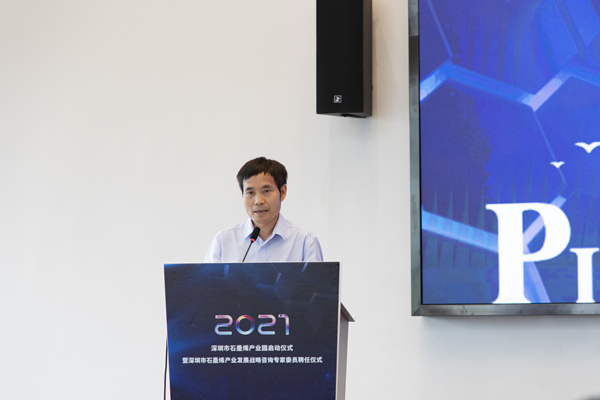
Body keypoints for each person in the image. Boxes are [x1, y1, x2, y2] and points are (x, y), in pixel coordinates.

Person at [204, 157, 323, 262]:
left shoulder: (305, 242)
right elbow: (209, 281)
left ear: (282, 192)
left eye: (266, 191)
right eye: (250, 192)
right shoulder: (223, 241)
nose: (258, 201)